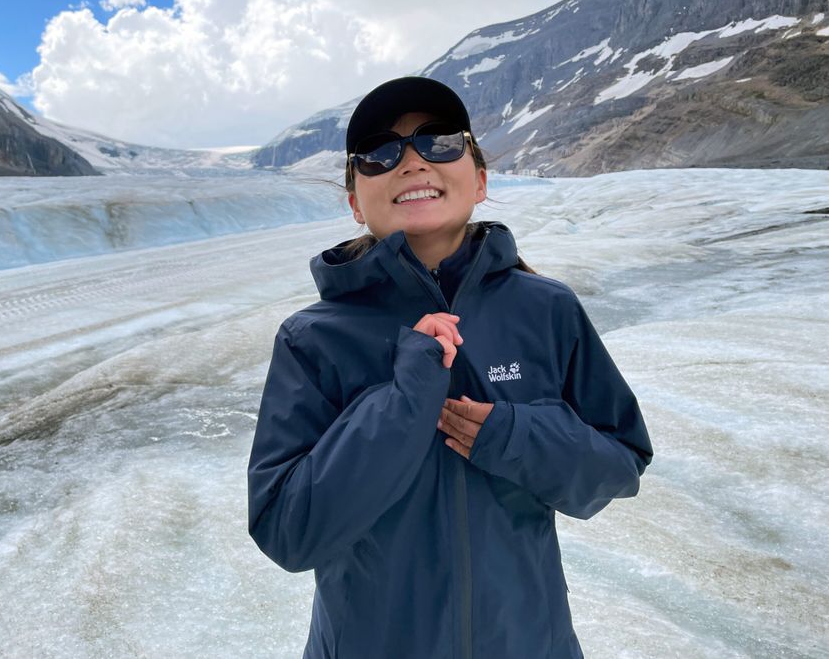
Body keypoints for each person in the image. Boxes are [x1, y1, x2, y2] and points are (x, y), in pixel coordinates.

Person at [247, 76, 653, 658]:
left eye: (439, 142)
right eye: (380, 153)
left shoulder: (547, 309)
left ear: (481, 180)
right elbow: (289, 530)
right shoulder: (313, 339)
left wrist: (514, 435)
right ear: (356, 202)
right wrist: (402, 400)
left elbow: (621, 463)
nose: (412, 161)